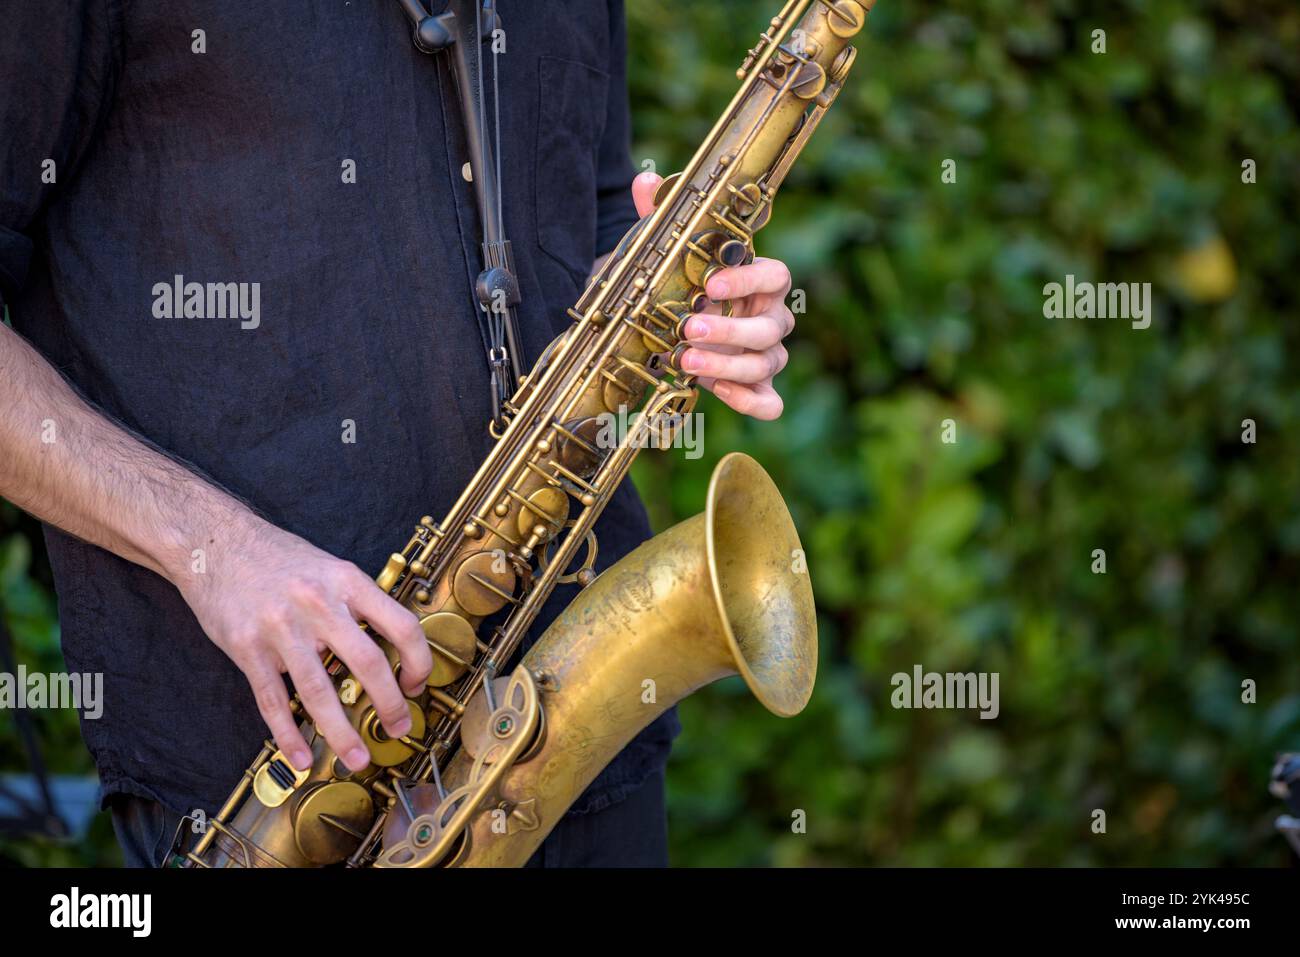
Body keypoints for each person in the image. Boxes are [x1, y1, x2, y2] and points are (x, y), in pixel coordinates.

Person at [0, 0, 796, 867]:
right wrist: (213, 549)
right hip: (290, 796)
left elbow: (587, 225)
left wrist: (684, 307)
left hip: (580, 734)